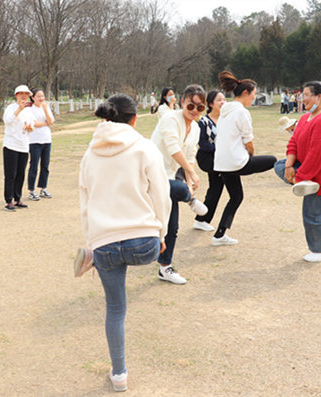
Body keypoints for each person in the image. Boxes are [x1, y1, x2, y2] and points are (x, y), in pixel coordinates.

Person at [76, 94, 171, 392]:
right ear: (134, 118)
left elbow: (85, 205)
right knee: (176, 192)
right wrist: (162, 235)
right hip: (144, 245)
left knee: (115, 310)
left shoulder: (89, 155)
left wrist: (92, 244)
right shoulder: (144, 147)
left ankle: (119, 376)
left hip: (104, 245)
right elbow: (161, 195)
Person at [273, 80, 321, 262]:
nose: (302, 98)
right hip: (309, 170)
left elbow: (317, 155)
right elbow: (294, 142)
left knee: (312, 213)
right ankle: (300, 182)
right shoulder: (306, 118)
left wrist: (299, 176)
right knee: (279, 164)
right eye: (302, 95)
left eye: (306, 95)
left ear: (318, 97)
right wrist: (290, 166)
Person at [151, 84, 208, 284]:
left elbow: (190, 155)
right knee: (181, 189)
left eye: (200, 108)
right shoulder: (170, 118)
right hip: (150, 174)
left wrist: (191, 178)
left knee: (172, 226)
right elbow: (173, 147)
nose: (194, 111)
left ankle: (165, 268)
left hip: (170, 176)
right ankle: (191, 200)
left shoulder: (196, 128)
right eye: (191, 106)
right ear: (182, 102)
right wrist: (190, 176)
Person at [212, 71, 277, 246]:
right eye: (254, 94)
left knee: (236, 197)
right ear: (246, 93)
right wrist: (250, 156)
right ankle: (292, 176)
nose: (254, 98)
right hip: (236, 162)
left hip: (222, 164)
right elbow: (249, 141)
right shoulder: (241, 112)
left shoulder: (224, 111)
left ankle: (219, 235)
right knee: (273, 160)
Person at [194, 90, 226, 232]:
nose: (223, 102)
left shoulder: (226, 119)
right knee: (216, 187)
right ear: (211, 103)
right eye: (219, 100)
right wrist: (219, 148)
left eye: (224, 99)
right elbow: (202, 143)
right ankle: (202, 219)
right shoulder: (204, 122)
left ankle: (202, 219)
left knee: (216, 187)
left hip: (221, 158)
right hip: (208, 158)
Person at [2, 85, 34, 211]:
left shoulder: (29, 111)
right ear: (16, 95)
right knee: (11, 174)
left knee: (20, 174)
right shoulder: (11, 108)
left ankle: (17, 199)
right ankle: (8, 201)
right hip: (11, 145)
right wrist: (19, 109)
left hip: (24, 145)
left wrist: (30, 128)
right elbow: (8, 121)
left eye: (26, 94)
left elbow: (31, 125)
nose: (23, 96)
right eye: (21, 93)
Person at [26, 88, 55, 201]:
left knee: (45, 166)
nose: (41, 98)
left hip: (47, 140)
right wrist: (45, 123)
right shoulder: (30, 109)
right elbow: (34, 124)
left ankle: (43, 189)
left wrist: (46, 110)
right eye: (38, 96)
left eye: (42, 96)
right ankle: (31, 191)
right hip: (34, 141)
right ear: (32, 97)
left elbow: (51, 122)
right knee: (34, 166)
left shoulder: (45, 107)